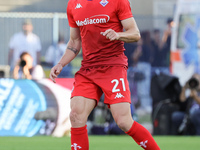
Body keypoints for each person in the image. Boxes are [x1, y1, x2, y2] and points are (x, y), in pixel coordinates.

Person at [50, 0, 160, 149]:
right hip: (88, 69)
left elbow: (135, 33)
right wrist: (60, 64)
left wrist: (118, 35)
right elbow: (75, 41)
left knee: (123, 121)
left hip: (113, 67)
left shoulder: (118, 1)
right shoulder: (73, 4)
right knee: (76, 115)